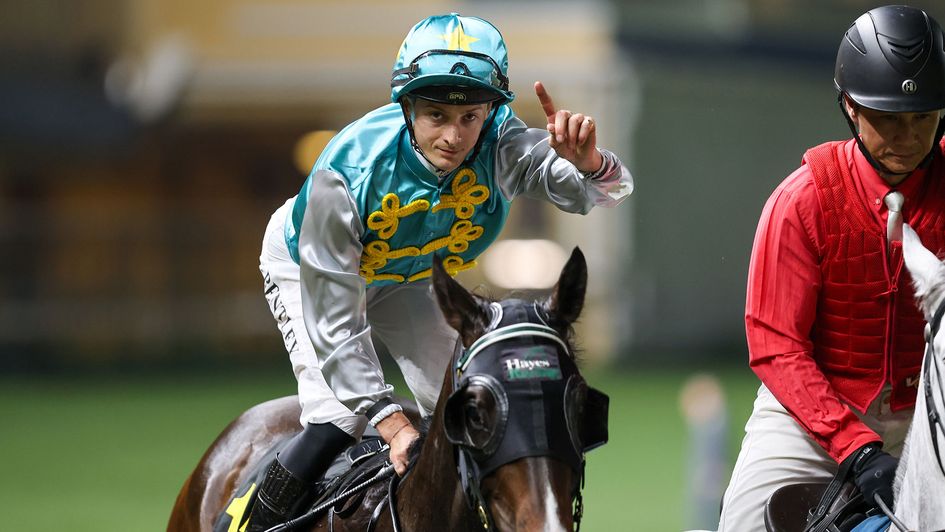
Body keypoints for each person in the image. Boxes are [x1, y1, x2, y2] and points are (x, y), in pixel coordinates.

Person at [251, 13, 633, 530]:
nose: (454, 136)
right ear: (405, 107)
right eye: (435, 115)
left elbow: (605, 192)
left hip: (403, 278)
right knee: (340, 417)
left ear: (490, 113)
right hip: (313, 272)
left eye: (470, 117)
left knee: (474, 403)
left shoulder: (499, 142)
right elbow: (337, 326)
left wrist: (588, 163)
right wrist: (390, 423)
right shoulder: (343, 173)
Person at [718, 5, 945, 530]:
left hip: (932, 409)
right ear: (849, 106)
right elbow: (777, 346)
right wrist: (856, 447)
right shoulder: (801, 201)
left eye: (924, 118)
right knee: (744, 522)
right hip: (812, 415)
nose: (908, 137)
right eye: (887, 118)